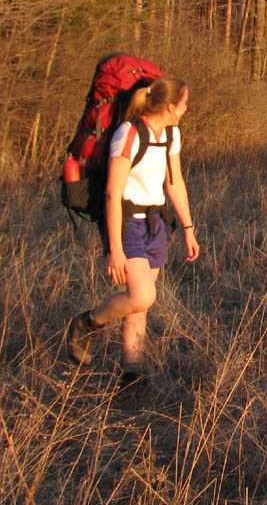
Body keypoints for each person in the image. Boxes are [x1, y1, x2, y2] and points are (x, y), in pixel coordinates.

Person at [65, 76, 200, 388]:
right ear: (169, 106)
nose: (186, 108)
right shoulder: (128, 133)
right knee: (142, 295)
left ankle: (131, 376)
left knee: (140, 305)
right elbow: (112, 193)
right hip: (127, 222)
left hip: (156, 224)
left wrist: (189, 229)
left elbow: (174, 182)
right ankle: (87, 322)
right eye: (184, 102)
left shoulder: (171, 133)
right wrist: (115, 249)